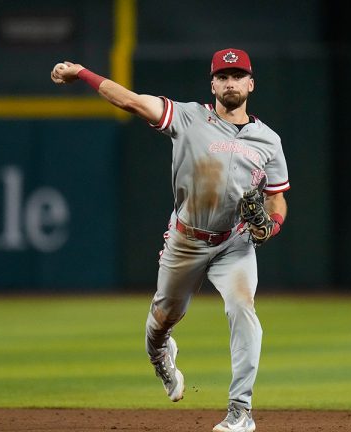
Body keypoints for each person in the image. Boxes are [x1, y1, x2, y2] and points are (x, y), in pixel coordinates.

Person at [51, 48, 290, 432]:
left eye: (238, 76)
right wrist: (82, 73)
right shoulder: (187, 117)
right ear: (212, 83)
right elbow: (128, 100)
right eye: (223, 76)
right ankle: (161, 356)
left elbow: (277, 197)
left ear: (251, 83)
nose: (231, 83)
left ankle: (240, 412)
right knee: (162, 321)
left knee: (243, 309)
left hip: (235, 243)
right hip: (186, 239)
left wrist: (273, 226)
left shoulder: (268, 140)